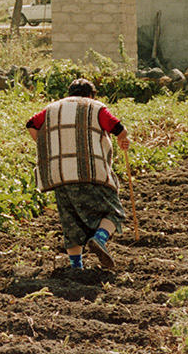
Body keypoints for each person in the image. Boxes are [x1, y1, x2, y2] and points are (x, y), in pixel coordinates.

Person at [26, 77, 130, 272]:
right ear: (90, 95)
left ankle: (76, 267)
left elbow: (31, 124)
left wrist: (46, 144)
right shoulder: (94, 107)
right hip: (90, 171)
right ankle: (99, 239)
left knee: (70, 219)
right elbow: (118, 128)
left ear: (69, 95)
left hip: (60, 174)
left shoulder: (52, 108)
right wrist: (123, 140)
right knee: (114, 211)